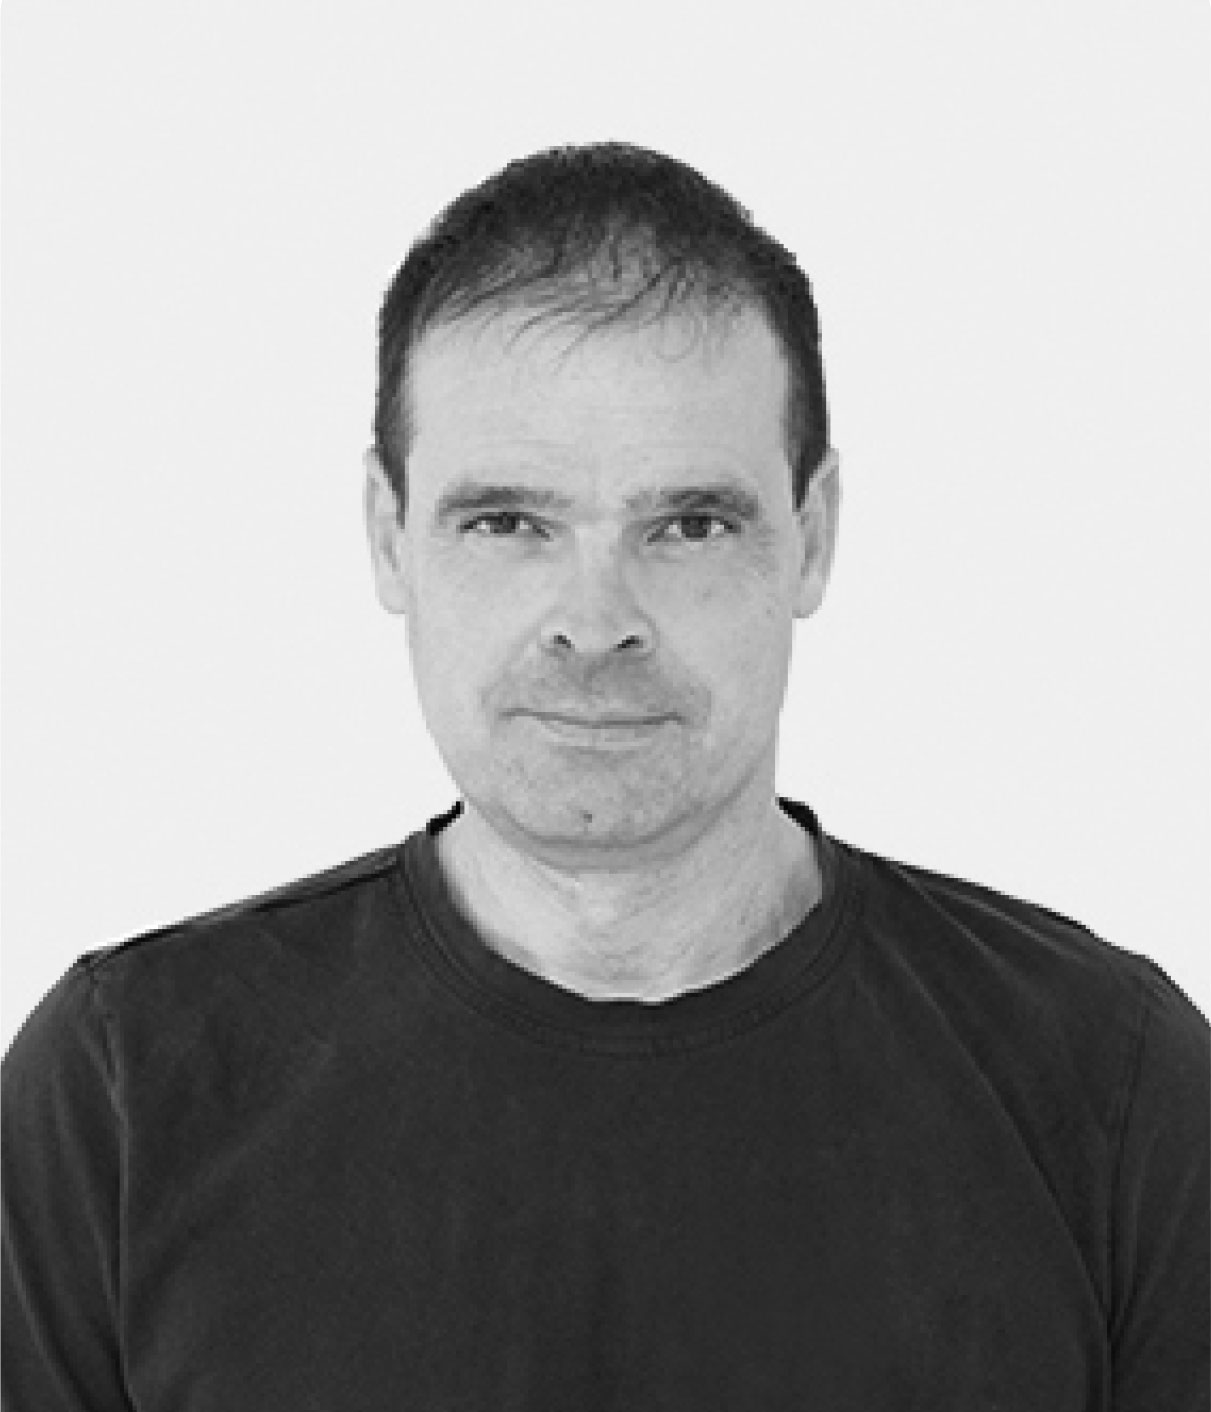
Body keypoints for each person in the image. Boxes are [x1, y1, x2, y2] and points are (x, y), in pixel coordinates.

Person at [3, 141, 1207, 1411]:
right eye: (506, 522)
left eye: (686, 524)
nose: (594, 621)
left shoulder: (1109, 1091)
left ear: (812, 536)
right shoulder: (125, 1093)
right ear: (388, 536)